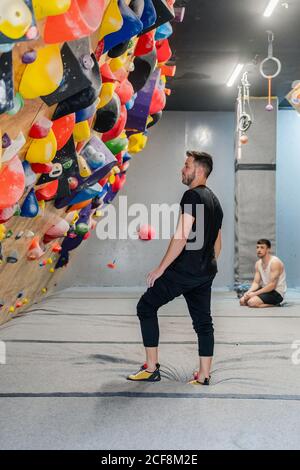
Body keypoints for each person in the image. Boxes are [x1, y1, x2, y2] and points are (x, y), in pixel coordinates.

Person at [127, 151, 223, 385]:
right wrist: (206, 265)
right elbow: (217, 242)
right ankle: (204, 375)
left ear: (199, 171)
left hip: (185, 271)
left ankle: (151, 368)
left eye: (187, 165)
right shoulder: (215, 202)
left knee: (146, 306)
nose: (183, 169)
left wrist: (161, 268)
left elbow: (181, 234)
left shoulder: (191, 196)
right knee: (203, 321)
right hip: (205, 272)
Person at [240, 239, 287, 308]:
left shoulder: (275, 263)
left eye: (262, 247)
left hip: (276, 292)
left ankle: (276, 304)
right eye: (257, 247)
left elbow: (272, 286)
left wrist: (254, 294)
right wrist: (248, 292)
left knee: (251, 302)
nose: (259, 250)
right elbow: (256, 283)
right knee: (242, 301)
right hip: (265, 290)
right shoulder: (258, 263)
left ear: (268, 249)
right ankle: (258, 300)